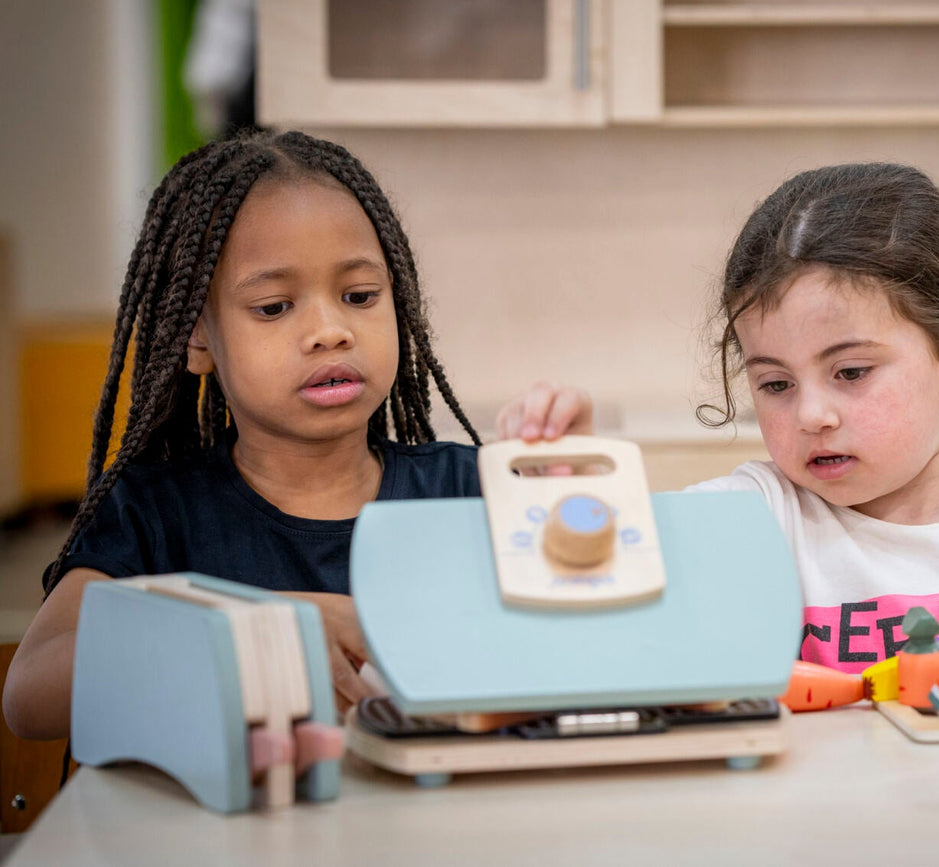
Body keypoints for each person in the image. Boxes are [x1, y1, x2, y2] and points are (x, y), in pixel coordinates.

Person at [1, 130, 587, 741]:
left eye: (359, 296)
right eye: (275, 307)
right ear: (198, 338)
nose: (330, 331)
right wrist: (256, 634)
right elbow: (31, 695)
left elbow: (594, 642)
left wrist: (571, 504)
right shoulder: (154, 513)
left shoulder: (469, 488)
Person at [499, 163, 939, 673]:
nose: (812, 415)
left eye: (850, 372)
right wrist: (573, 487)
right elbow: (605, 586)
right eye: (775, 384)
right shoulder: (755, 516)